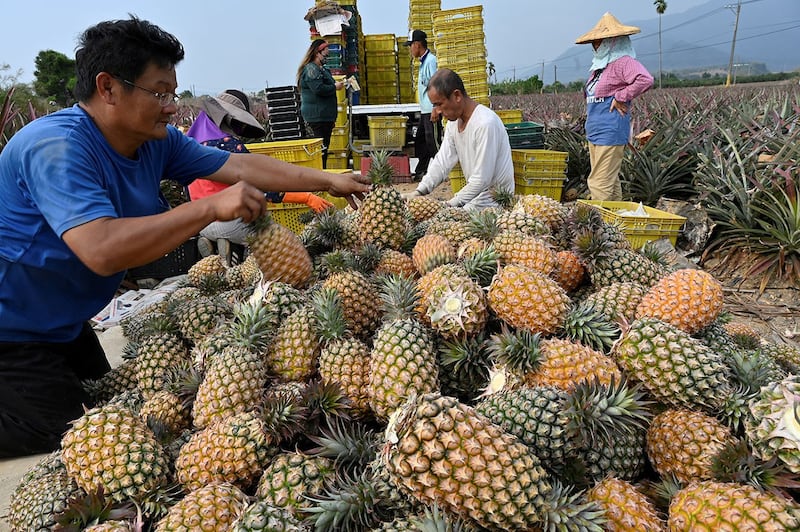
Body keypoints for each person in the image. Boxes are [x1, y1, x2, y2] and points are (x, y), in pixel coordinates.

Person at [0, 16, 369, 458]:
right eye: (159, 93)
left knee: (105, 408)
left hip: (61, 321)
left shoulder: (155, 141)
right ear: (108, 88)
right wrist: (208, 208)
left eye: (172, 93)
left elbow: (240, 167)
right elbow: (100, 249)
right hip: (12, 327)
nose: (172, 106)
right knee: (63, 433)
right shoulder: (56, 148)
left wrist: (326, 180)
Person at [187, 89, 332, 262]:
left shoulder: (189, 145)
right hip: (232, 223)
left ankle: (224, 247)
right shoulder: (228, 146)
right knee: (286, 244)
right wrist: (307, 197)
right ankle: (240, 248)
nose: (238, 130)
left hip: (201, 223)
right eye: (237, 124)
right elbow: (263, 188)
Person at [402, 68, 514, 211]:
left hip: (493, 206)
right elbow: (442, 162)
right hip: (472, 203)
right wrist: (419, 191)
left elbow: (481, 180)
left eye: (439, 104)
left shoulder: (485, 123)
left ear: (457, 96)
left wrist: (450, 204)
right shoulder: (453, 124)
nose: (437, 111)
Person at [576, 12, 654, 201]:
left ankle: (598, 226)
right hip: (595, 131)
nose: (596, 46)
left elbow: (645, 79)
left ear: (613, 41)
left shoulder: (623, 62)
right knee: (609, 182)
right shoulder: (599, 67)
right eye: (595, 42)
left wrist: (621, 96)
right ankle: (617, 224)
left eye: (600, 41)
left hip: (610, 130)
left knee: (599, 182)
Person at [298, 39, 344, 168]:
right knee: (320, 150)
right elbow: (318, 89)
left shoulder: (321, 69)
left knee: (324, 148)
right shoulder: (311, 69)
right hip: (318, 116)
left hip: (325, 116)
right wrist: (335, 87)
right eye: (326, 54)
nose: (327, 57)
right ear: (317, 53)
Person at [404, 29, 442, 180]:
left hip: (431, 109)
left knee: (433, 143)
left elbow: (435, 84)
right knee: (421, 141)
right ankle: (421, 170)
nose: (410, 49)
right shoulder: (423, 62)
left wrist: (436, 107)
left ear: (417, 45)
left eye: (411, 45)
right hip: (425, 109)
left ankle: (442, 171)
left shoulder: (431, 61)